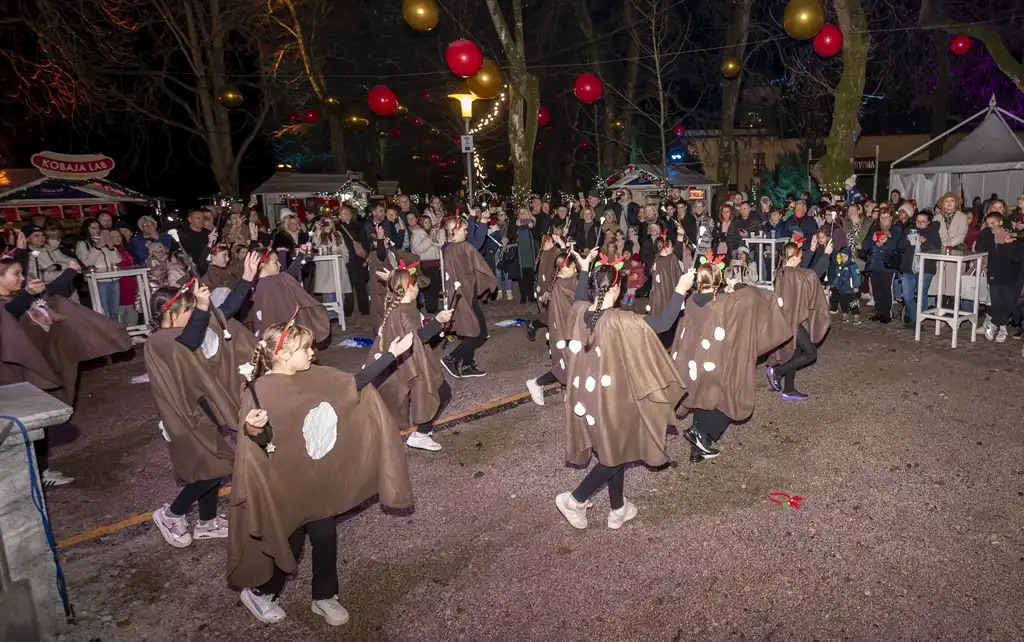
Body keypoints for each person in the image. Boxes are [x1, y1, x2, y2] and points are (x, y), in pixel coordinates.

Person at [230, 320, 414, 626]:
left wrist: (390, 355)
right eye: (305, 348)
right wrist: (254, 428)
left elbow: (352, 385)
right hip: (284, 484)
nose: (312, 353)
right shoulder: (260, 390)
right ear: (283, 355)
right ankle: (262, 592)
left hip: (316, 479)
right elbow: (257, 444)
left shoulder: (314, 375)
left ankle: (325, 595)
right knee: (287, 542)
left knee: (326, 535)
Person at [554, 250, 687, 530]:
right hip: (611, 401)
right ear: (616, 287)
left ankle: (618, 508)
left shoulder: (579, 310)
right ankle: (575, 500)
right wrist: (680, 290)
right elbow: (662, 324)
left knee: (613, 450)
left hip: (589, 399)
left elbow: (580, 295)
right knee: (615, 455)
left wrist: (586, 267)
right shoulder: (620, 320)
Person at [145, 256, 260, 547]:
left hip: (200, 412)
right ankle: (172, 513)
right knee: (218, 467)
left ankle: (207, 523)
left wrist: (246, 279)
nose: (192, 315)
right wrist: (200, 309)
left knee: (210, 466)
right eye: (187, 310)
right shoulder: (160, 341)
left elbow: (223, 313)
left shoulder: (183, 331)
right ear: (166, 313)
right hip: (183, 418)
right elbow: (191, 342)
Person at [670, 259, 791, 462]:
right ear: (719, 281)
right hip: (717, 363)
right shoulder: (725, 302)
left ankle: (699, 450)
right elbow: (756, 296)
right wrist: (738, 285)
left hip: (696, 363)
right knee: (732, 397)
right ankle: (701, 432)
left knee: (704, 398)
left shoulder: (691, 301)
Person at [366, 264, 454, 451]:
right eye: (415, 285)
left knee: (432, 393)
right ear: (409, 288)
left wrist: (393, 276)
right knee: (441, 392)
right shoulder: (406, 311)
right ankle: (421, 434)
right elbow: (417, 337)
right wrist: (438, 321)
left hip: (411, 360)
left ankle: (423, 431)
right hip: (417, 362)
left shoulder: (398, 306)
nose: (419, 288)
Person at [766, 243, 831, 401]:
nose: (801, 260)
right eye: (800, 258)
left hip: (787, 318)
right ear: (793, 258)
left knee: (794, 352)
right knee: (810, 353)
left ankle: (789, 389)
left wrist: (812, 249)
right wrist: (827, 254)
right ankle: (778, 372)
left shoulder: (782, 271)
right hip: (791, 321)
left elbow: (802, 272)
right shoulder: (792, 275)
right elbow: (812, 275)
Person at [440, 217, 497, 378]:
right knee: (478, 333)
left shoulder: (448, 248)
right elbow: (477, 246)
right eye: (464, 230)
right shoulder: (462, 247)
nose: (466, 233)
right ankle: (452, 358)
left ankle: (466, 365)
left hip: (461, 295)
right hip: (465, 296)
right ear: (455, 231)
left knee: (473, 330)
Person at [526, 250, 579, 405]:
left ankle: (570, 391)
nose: (576, 269)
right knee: (567, 364)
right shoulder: (565, 284)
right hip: (566, 331)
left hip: (564, 329)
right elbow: (580, 294)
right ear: (564, 269)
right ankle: (536, 383)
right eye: (573, 267)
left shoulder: (561, 282)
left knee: (570, 363)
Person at [250, 246, 330, 345]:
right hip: (281, 337)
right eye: (275, 262)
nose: (279, 265)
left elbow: (288, 275)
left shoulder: (260, 283)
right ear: (263, 265)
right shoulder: (271, 282)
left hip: (268, 337)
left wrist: (300, 254)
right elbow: (288, 276)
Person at [975, 212, 1023, 343]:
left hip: (1010, 274)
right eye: (988, 224)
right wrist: (985, 233)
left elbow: (1016, 256)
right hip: (994, 272)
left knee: (1008, 303)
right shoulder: (987, 234)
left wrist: (1009, 241)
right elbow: (979, 248)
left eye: (994, 223)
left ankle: (994, 323)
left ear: (1000, 222)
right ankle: (1002, 329)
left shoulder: (1010, 233)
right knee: (996, 302)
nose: (991, 226)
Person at [897, 210, 941, 327]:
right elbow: (899, 247)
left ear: (928, 222)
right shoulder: (909, 230)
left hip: (926, 268)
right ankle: (916, 318)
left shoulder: (932, 232)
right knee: (907, 295)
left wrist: (925, 241)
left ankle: (919, 321)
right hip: (908, 268)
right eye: (918, 221)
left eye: (923, 221)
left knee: (922, 294)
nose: (920, 223)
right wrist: (906, 240)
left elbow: (937, 248)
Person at [74, 218, 122, 320]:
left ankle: (115, 331)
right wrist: (97, 248)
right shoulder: (83, 243)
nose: (97, 230)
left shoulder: (105, 241)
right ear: (86, 229)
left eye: (98, 227)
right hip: (98, 280)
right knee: (102, 310)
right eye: (93, 228)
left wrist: (111, 247)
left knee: (115, 310)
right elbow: (87, 262)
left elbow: (117, 260)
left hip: (114, 278)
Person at [862, 208, 902, 324]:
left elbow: (898, 247)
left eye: (887, 217)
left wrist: (887, 241)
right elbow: (865, 245)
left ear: (891, 218)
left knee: (886, 289)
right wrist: (872, 239)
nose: (884, 220)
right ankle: (878, 311)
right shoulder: (874, 228)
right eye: (882, 217)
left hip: (888, 264)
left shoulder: (895, 230)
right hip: (874, 263)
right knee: (876, 289)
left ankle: (886, 313)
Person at [646, 232, 684, 346]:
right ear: (666, 247)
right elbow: (679, 278)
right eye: (671, 246)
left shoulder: (656, 262)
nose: (673, 248)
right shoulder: (671, 259)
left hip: (657, 302)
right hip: (670, 300)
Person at [310, 217, 350, 322]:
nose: (328, 226)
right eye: (325, 223)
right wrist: (317, 230)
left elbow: (344, 249)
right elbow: (315, 245)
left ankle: (340, 313)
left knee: (340, 292)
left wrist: (343, 260)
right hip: (325, 267)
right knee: (328, 292)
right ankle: (331, 315)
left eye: (330, 223)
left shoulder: (338, 235)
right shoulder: (319, 235)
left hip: (338, 265)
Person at [335, 205, 369, 318]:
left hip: (359, 259)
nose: (347, 215)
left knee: (361, 285)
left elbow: (365, 241)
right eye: (344, 213)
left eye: (348, 212)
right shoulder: (337, 228)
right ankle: (348, 310)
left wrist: (366, 256)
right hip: (347, 260)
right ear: (339, 216)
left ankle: (364, 309)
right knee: (348, 286)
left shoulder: (358, 226)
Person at [527, 233, 559, 341]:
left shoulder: (554, 252)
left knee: (552, 314)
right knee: (549, 314)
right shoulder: (545, 254)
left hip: (551, 287)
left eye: (549, 242)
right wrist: (546, 290)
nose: (546, 244)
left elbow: (561, 261)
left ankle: (534, 325)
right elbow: (542, 275)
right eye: (545, 242)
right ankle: (534, 325)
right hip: (546, 288)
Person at [177, 209, 216, 275]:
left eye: (203, 218)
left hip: (210, 266)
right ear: (190, 219)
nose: (201, 220)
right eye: (198, 218)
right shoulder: (182, 236)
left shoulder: (208, 233)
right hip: (194, 271)